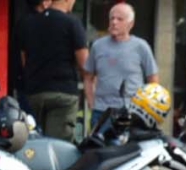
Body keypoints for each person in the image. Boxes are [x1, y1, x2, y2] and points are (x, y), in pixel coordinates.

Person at [12, 0, 84, 140]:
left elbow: (24, 59)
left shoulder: (28, 23)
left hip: (35, 92)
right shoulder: (71, 22)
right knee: (58, 143)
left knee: (35, 137)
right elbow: (84, 63)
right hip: (63, 92)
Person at [85, 2, 155, 131]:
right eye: (112, 18)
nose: (114, 22)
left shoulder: (141, 46)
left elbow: (153, 80)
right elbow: (88, 77)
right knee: (98, 150)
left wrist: (148, 109)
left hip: (130, 113)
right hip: (101, 112)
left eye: (119, 19)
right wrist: (91, 103)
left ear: (130, 24)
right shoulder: (97, 46)